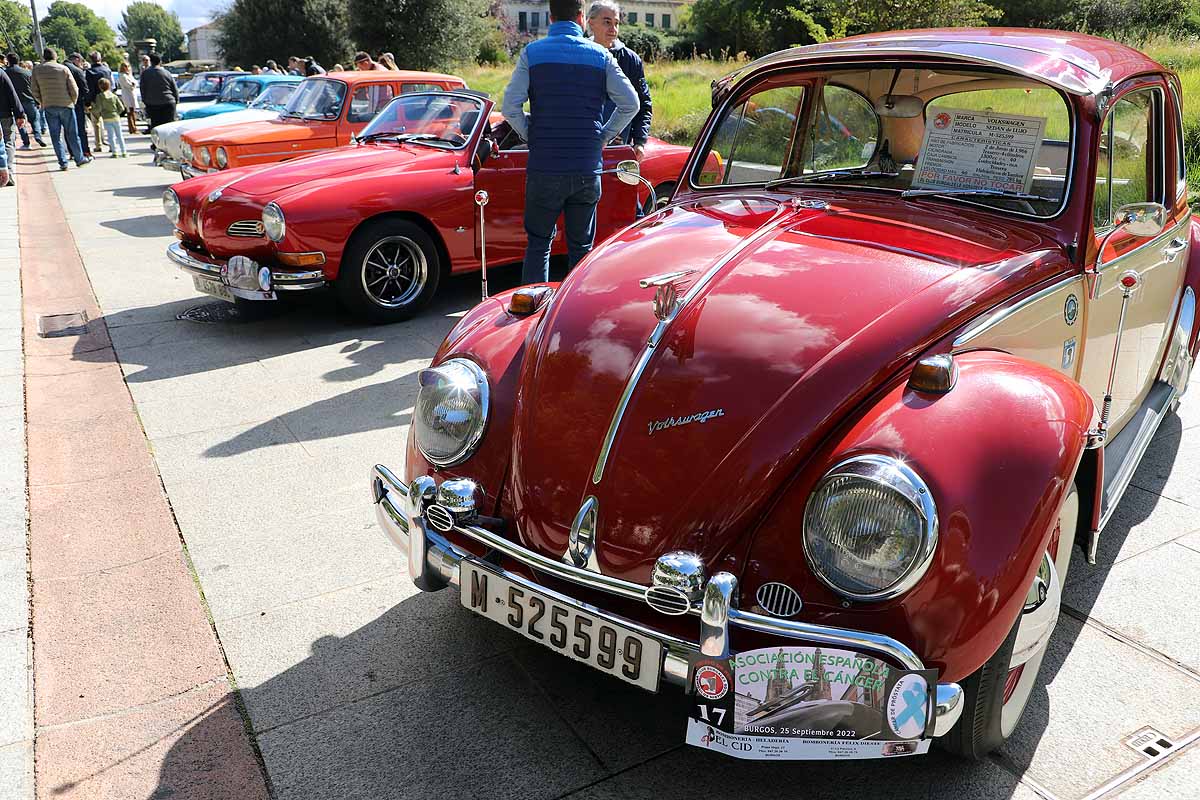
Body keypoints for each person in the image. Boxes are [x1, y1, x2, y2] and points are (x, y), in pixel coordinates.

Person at [501, 0, 639, 283]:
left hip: (544, 167)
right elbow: (631, 103)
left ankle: (532, 318)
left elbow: (510, 107)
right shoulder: (600, 56)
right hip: (586, 167)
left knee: (539, 245)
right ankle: (574, 318)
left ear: (550, 17)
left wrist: (531, 134)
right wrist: (601, 136)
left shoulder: (532, 53)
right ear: (580, 16)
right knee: (581, 248)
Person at [586, 2, 651, 162]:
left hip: (618, 152)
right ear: (591, 23)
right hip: (583, 150)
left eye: (616, 23)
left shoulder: (630, 60)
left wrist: (640, 141)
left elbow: (644, 105)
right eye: (607, 22)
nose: (613, 29)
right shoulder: (579, 56)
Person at [31, 48, 88, 170]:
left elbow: (34, 90)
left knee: (55, 136)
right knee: (72, 134)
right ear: (55, 56)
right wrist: (73, 101)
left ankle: (63, 162)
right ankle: (79, 158)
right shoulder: (63, 69)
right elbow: (74, 88)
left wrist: (42, 101)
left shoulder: (37, 70)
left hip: (49, 106)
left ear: (43, 57)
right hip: (66, 105)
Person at [5, 53, 45, 148]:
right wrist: (37, 100)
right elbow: (33, 87)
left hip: (15, 101)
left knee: (20, 122)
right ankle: (37, 135)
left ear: (8, 61)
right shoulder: (26, 72)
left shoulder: (6, 73)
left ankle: (26, 142)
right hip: (29, 99)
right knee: (34, 119)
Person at [139, 52, 178, 132]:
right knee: (169, 127)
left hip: (153, 104)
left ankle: (156, 144)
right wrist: (176, 101)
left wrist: (145, 101)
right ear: (160, 61)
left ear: (151, 61)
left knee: (156, 126)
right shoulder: (167, 73)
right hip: (168, 102)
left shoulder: (145, 74)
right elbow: (174, 89)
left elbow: (143, 89)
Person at [84, 51, 113, 152]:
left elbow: (89, 89)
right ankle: (111, 144)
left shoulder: (89, 72)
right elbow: (112, 85)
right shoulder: (107, 70)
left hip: (95, 100)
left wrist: (87, 102)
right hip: (107, 98)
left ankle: (98, 144)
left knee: (96, 123)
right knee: (109, 122)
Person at [0, 68, 24, 186]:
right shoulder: (1, 73)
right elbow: (11, 93)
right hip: (4, 114)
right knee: (8, 142)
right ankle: (8, 171)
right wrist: (19, 114)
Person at [65, 53, 91, 158]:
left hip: (63, 103)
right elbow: (85, 89)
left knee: (68, 130)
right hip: (77, 103)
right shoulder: (77, 71)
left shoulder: (61, 68)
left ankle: (72, 152)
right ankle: (84, 151)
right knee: (80, 129)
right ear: (76, 59)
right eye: (81, 61)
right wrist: (87, 103)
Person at [92, 77, 126, 157]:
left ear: (100, 87)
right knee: (120, 135)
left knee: (111, 136)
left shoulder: (100, 96)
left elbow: (98, 108)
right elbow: (122, 108)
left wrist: (91, 110)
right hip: (116, 117)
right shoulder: (114, 96)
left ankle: (115, 152)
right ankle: (124, 151)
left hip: (106, 118)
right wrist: (117, 113)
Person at [116, 61, 137, 134]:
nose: (127, 68)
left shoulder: (129, 75)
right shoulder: (122, 76)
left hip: (132, 94)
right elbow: (128, 85)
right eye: (125, 66)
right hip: (127, 94)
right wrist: (133, 84)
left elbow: (135, 82)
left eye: (128, 66)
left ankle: (134, 127)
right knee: (129, 112)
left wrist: (133, 84)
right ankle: (132, 128)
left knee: (133, 111)